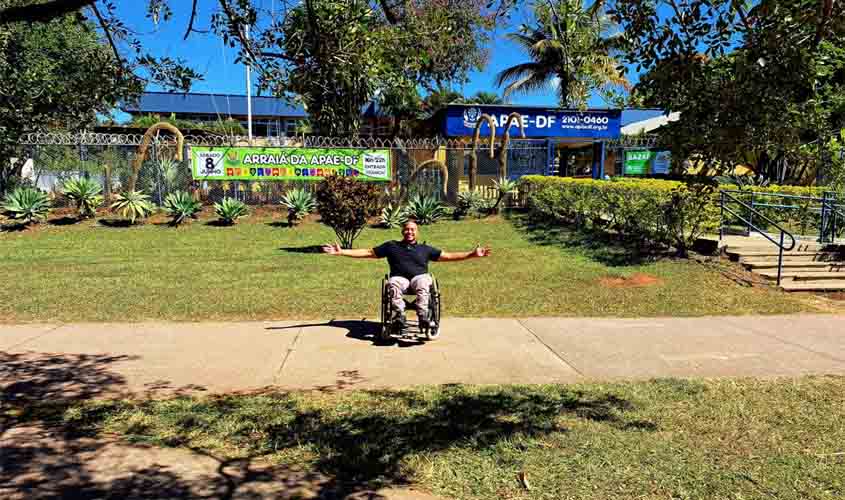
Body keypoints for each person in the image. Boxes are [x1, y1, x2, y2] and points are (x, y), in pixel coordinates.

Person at [322, 219, 491, 329]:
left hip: (419, 278)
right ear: (402, 231)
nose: (409, 232)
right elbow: (367, 252)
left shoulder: (425, 249)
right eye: (407, 229)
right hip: (400, 279)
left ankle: (423, 315)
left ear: (417, 232)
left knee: (425, 281)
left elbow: (447, 256)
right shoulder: (391, 246)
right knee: (393, 283)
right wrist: (341, 252)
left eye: (413, 229)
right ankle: (399, 316)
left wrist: (472, 254)